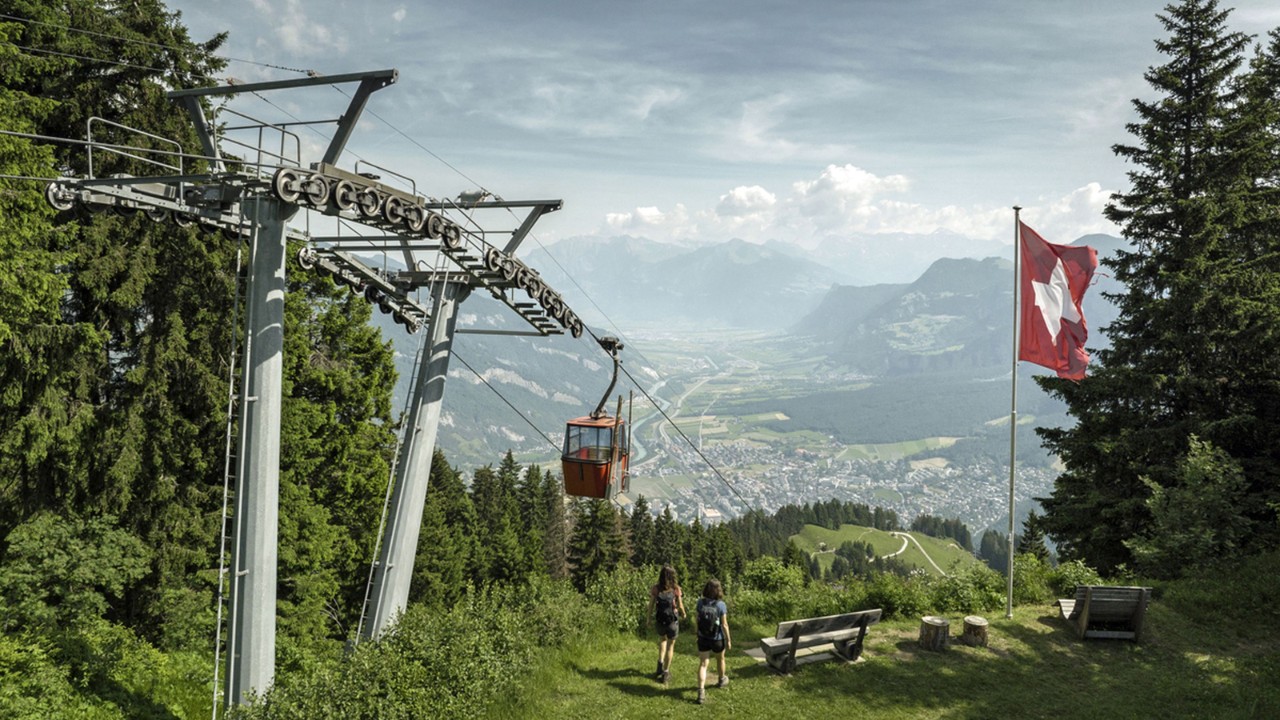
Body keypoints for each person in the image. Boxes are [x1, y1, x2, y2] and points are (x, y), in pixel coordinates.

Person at [693, 578, 731, 705]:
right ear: (719, 590)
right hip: (717, 639)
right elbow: (724, 625)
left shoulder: (700, 603)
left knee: (703, 664)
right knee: (720, 659)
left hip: (703, 637)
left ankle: (701, 691)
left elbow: (697, 619)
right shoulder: (721, 605)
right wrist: (728, 639)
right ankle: (721, 680)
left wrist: (697, 633)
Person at [647, 565, 686, 684]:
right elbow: (680, 605)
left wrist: (648, 619)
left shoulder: (656, 588)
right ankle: (666, 672)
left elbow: (651, 605)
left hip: (660, 621)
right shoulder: (676, 589)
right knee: (670, 646)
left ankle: (659, 665)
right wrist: (684, 614)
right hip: (672, 622)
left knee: (662, 640)